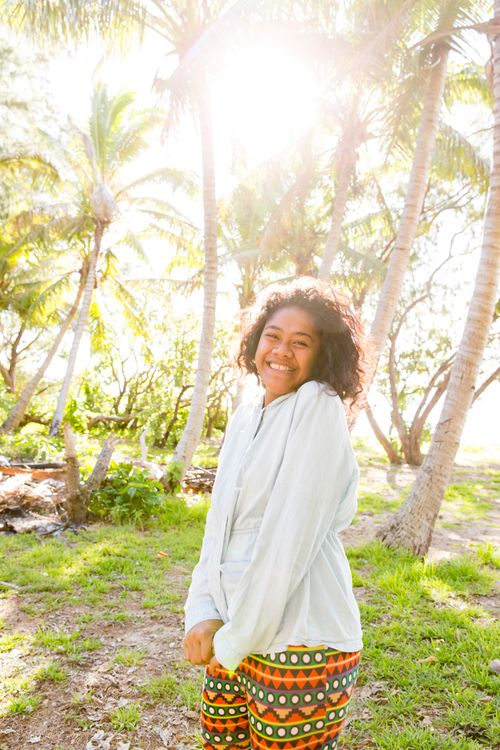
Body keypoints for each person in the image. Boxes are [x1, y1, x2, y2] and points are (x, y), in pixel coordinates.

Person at [183, 276, 365, 750]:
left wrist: (232, 640)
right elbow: (218, 524)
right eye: (273, 336)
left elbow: (288, 541)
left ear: (323, 354)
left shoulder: (318, 407)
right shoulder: (246, 412)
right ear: (255, 339)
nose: (282, 350)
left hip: (299, 642)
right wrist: (201, 611)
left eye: (300, 342)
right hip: (232, 629)